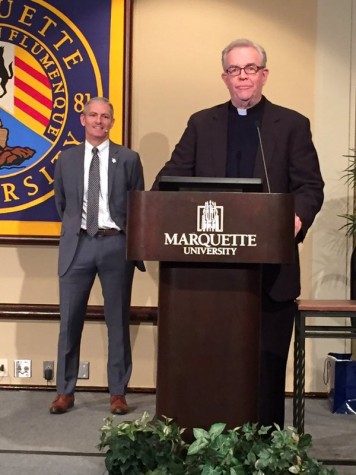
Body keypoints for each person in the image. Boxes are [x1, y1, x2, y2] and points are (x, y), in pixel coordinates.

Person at [151, 39, 324, 428]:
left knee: (265, 368)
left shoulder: (291, 124)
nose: (242, 77)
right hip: (207, 278)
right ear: (224, 77)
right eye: (234, 70)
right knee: (206, 364)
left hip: (270, 273)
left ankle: (265, 443)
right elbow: (169, 181)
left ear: (263, 74)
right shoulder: (201, 123)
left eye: (250, 69)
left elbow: (310, 187)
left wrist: (293, 220)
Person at [50, 96, 145, 415]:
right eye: (93, 115)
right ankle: (65, 391)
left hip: (115, 244)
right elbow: (62, 204)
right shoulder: (66, 159)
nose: (99, 121)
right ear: (82, 119)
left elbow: (138, 206)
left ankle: (118, 392)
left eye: (105, 117)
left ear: (112, 123)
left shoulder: (129, 158)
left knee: (118, 320)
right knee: (70, 321)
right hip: (77, 245)